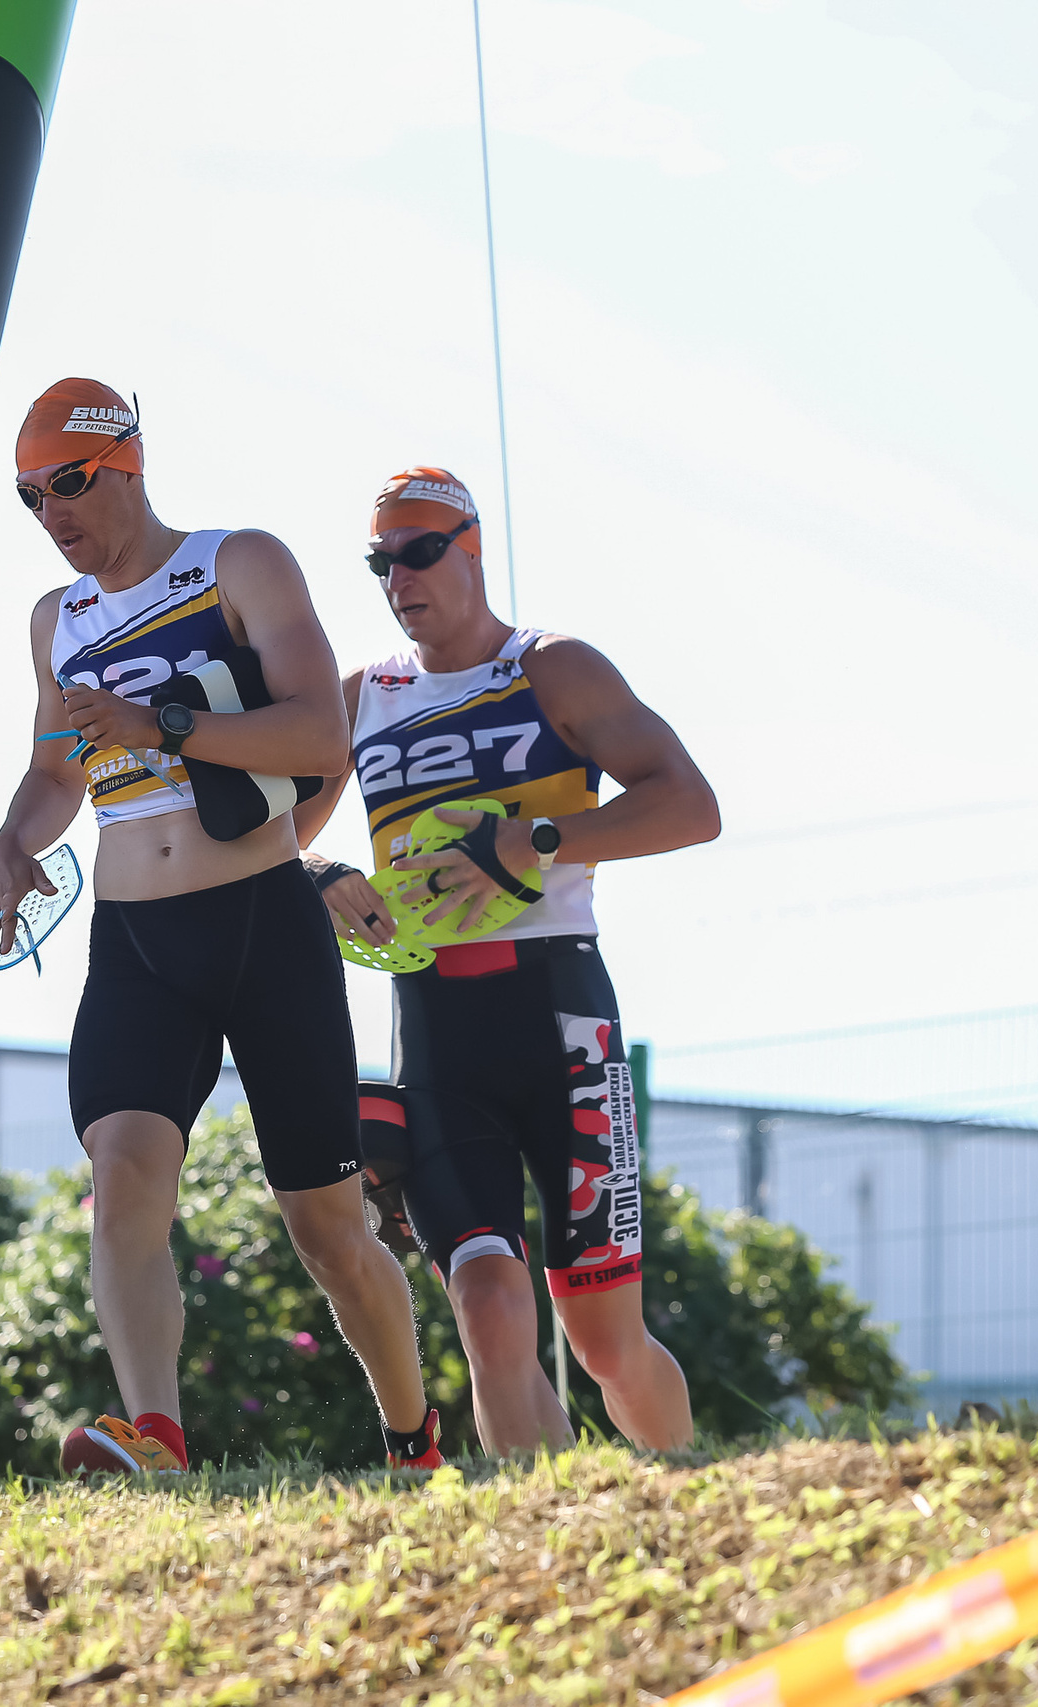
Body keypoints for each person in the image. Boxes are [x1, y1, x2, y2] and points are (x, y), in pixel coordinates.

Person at [0, 381, 444, 1474]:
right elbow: (54, 774)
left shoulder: (239, 561)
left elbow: (318, 734)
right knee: (124, 1173)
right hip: (134, 936)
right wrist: (11, 841)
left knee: (329, 1228)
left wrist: (161, 724)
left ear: (128, 461)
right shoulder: (56, 620)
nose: (53, 513)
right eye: (30, 498)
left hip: (258, 922)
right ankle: (160, 1434)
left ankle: (411, 1437)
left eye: (70, 484)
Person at [295, 466, 718, 1455]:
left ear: (472, 548)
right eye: (379, 561)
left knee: (604, 1341)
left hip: (562, 1016)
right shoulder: (362, 697)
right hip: (434, 1030)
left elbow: (690, 807)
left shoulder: (554, 668)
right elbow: (269, 841)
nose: (399, 577)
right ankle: (546, 1537)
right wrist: (318, 875)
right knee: (487, 1307)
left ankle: (688, 1499)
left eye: (420, 551)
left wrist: (538, 838)